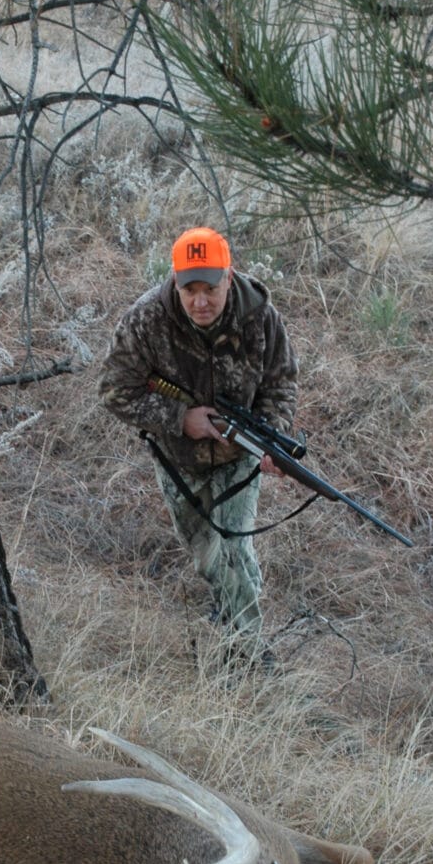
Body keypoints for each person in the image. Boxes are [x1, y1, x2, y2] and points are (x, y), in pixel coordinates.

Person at [97, 226, 298, 663]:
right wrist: (179, 419)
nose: (200, 301)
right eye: (190, 290)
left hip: (238, 457)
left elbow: (281, 384)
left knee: (231, 550)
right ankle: (230, 615)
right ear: (174, 281)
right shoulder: (146, 320)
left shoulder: (261, 318)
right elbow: (114, 389)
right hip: (179, 460)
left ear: (230, 277)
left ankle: (249, 655)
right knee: (209, 558)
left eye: (210, 288)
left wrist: (271, 439)